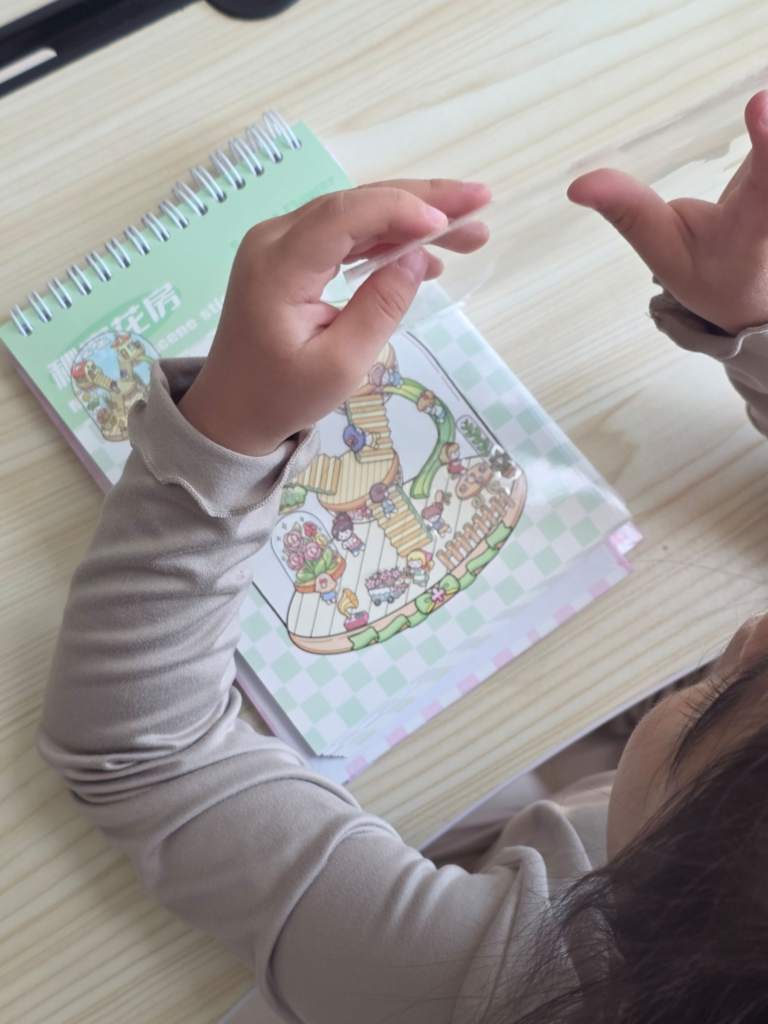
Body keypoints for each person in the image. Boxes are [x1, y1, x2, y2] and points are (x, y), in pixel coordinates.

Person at [35, 93, 768, 1024]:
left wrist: (226, 434)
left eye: (721, 693)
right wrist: (749, 326)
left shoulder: (495, 990)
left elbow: (142, 752)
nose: (746, 632)